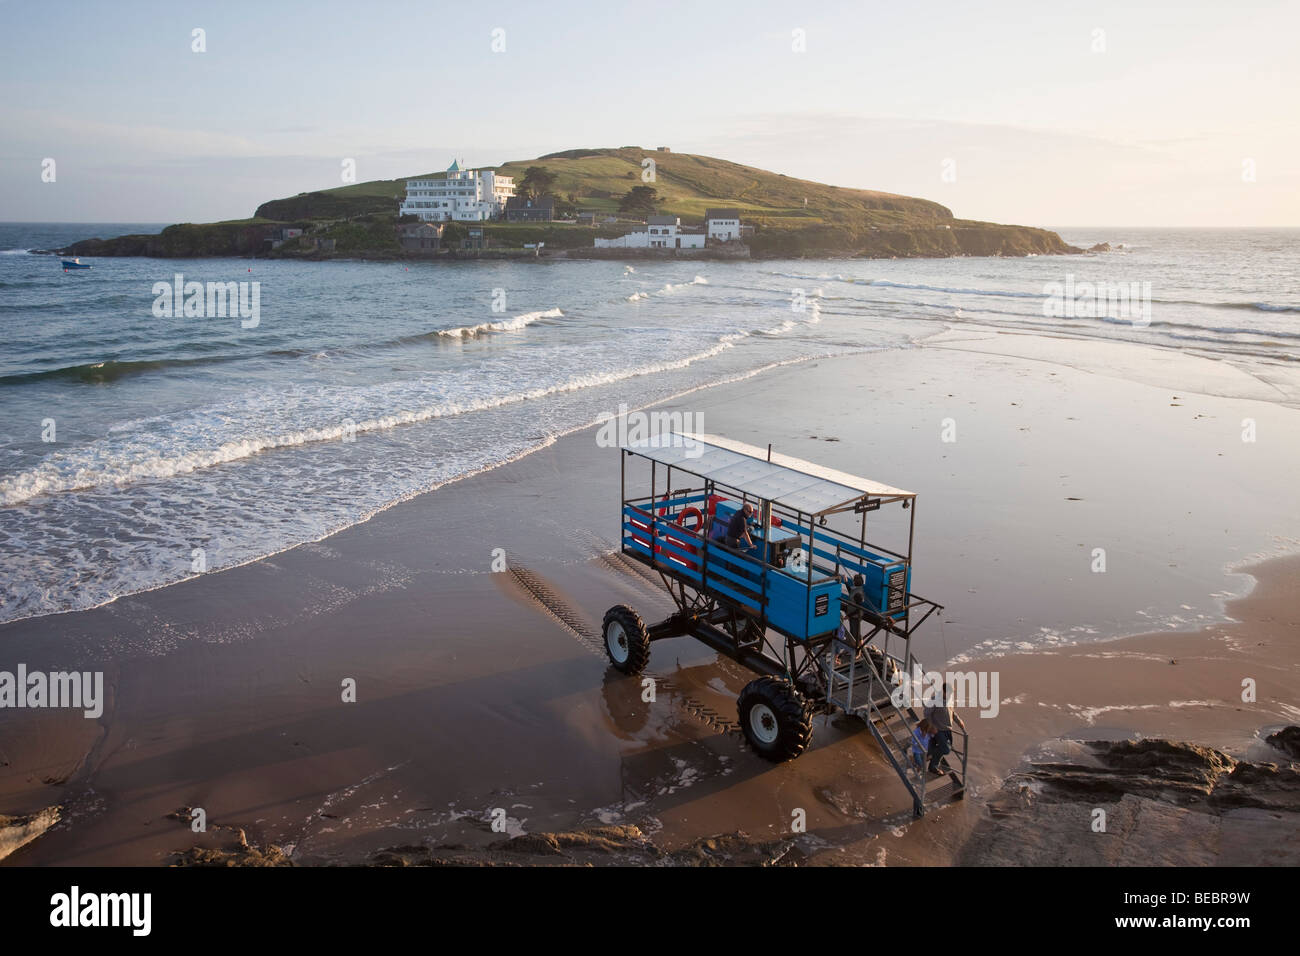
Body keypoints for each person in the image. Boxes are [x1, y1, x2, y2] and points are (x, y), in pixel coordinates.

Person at [923, 682, 955, 774]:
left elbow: (952, 712)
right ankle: (932, 763)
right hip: (938, 730)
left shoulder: (950, 700)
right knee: (945, 749)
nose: (951, 694)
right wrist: (931, 726)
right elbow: (926, 713)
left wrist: (959, 720)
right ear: (944, 692)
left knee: (944, 748)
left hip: (948, 730)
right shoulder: (935, 700)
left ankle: (929, 757)